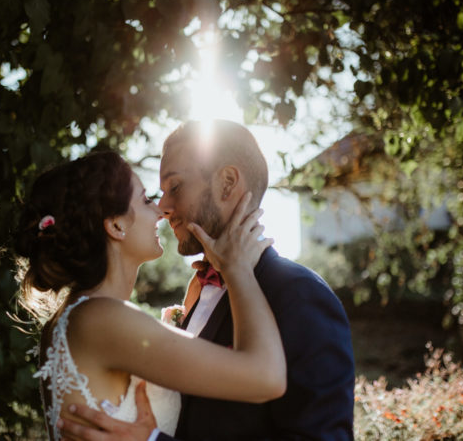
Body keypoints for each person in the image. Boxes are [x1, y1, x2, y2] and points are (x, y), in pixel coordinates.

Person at [59, 120, 355, 440]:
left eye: (175, 187)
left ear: (227, 183)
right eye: (156, 195)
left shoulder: (298, 295)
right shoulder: (200, 291)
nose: (163, 208)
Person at [14, 150, 286, 441]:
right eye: (145, 200)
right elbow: (266, 378)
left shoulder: (78, 317)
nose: (161, 211)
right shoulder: (102, 319)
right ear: (116, 225)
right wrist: (238, 269)